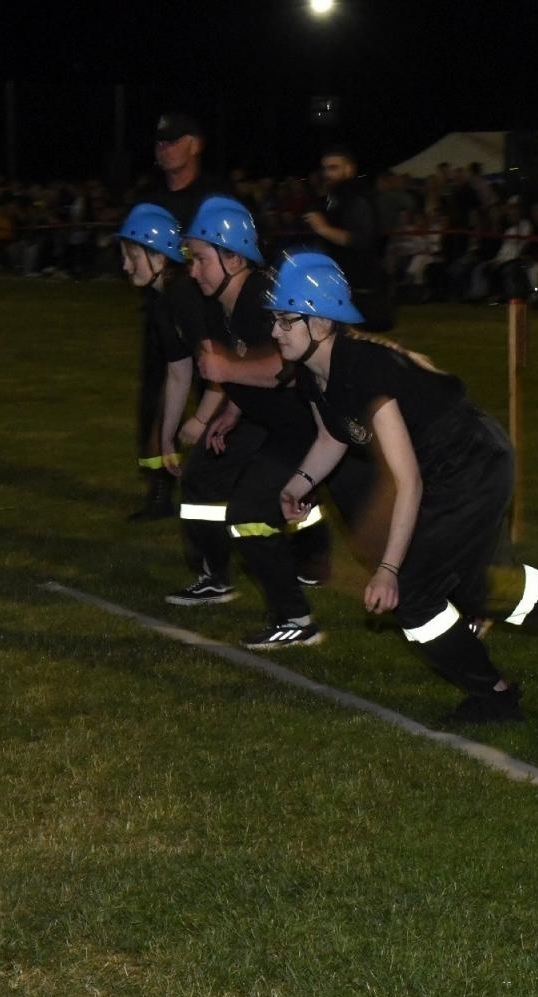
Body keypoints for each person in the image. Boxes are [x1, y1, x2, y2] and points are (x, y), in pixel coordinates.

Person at [267, 252, 538, 722]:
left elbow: (408, 481)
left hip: (472, 464)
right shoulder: (316, 373)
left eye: (284, 319)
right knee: (472, 589)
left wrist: (388, 568)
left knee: (415, 594)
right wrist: (297, 484)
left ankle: (495, 696)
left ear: (319, 322)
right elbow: (333, 436)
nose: (275, 331)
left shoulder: (366, 369)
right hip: (451, 467)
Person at [168, 198, 349, 649]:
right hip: (286, 430)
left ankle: (296, 616)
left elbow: (281, 368)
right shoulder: (220, 302)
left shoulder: (263, 299)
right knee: (237, 501)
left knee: (251, 514)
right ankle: (295, 587)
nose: (194, 271)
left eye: (202, 260)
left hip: (319, 432)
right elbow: (250, 365)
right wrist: (233, 408)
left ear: (234, 257)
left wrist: (226, 376)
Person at [125, 112, 235, 520]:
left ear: (196, 144)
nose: (163, 149)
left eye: (172, 140)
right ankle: (159, 488)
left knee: (221, 398)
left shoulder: (218, 196)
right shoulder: (150, 197)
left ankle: (220, 488)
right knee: (157, 401)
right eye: (159, 142)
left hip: (209, 318)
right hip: (163, 316)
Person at [116, 204, 207, 507]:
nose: (126, 267)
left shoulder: (184, 294)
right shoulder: (164, 299)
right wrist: (167, 438)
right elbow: (180, 374)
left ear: (158, 256)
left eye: (132, 257)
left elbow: (223, 365)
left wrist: (205, 418)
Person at [304, 147, 394, 331]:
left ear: (349, 169)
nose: (328, 173)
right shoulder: (333, 196)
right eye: (326, 168)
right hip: (339, 279)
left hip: (359, 282)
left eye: (334, 168)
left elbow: (360, 239)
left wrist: (324, 229)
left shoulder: (356, 198)